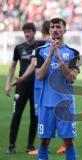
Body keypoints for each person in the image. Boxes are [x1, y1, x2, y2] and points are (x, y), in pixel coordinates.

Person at [12, 20, 67, 156]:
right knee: (44, 117)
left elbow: (33, 65)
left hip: (42, 87)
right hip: (41, 86)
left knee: (44, 117)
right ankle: (53, 145)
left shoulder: (44, 45)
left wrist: (22, 78)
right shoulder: (43, 45)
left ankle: (51, 145)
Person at [35, 18, 79, 160]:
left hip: (65, 105)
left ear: (64, 30)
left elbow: (71, 78)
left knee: (69, 142)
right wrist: (50, 56)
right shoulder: (41, 51)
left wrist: (59, 59)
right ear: (49, 31)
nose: (55, 29)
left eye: (58, 27)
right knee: (44, 141)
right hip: (46, 104)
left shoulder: (73, 52)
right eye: (52, 27)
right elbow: (40, 75)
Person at [5, 22, 46, 154]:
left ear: (34, 32)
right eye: (25, 32)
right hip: (21, 86)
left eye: (29, 31)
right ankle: (11, 145)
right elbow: (12, 65)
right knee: (16, 115)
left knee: (34, 116)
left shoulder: (40, 45)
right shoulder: (19, 48)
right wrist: (8, 83)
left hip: (35, 86)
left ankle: (30, 145)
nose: (27, 34)